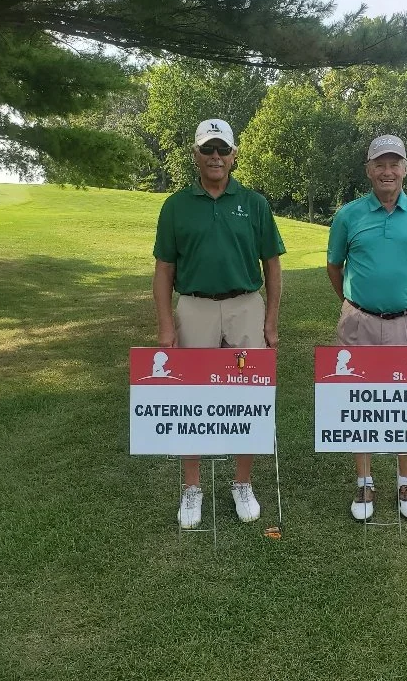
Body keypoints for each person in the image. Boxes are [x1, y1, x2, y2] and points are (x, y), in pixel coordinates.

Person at [152, 118, 286, 529]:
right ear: (195, 154)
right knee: (189, 400)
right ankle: (192, 488)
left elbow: (272, 264)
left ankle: (241, 482)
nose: (215, 157)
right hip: (194, 306)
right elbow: (164, 270)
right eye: (207, 150)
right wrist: (165, 325)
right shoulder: (176, 205)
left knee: (249, 396)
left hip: (246, 304)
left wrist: (272, 320)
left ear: (234, 155)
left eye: (222, 150)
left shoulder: (255, 203)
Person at [326, 134, 407, 521]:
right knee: (357, 404)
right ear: (368, 170)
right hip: (358, 322)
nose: (387, 171)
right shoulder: (348, 215)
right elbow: (334, 267)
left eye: (395, 163)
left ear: (406, 169)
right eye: (379, 163)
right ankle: (364, 482)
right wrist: (352, 302)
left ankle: (405, 480)